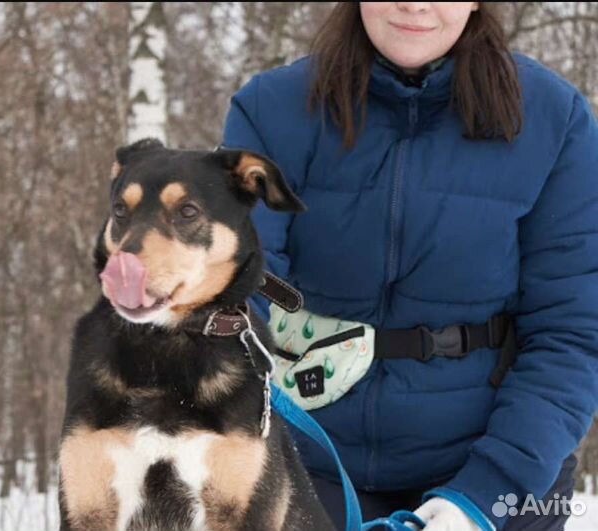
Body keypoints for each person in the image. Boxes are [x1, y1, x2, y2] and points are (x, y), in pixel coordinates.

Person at [221, 3, 598, 531]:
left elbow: (573, 333)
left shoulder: (556, 120)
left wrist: (483, 498)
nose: (415, 4)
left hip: (503, 469)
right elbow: (242, 294)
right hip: (311, 459)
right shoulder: (271, 109)